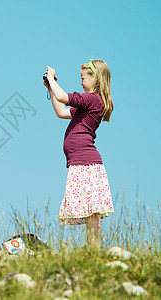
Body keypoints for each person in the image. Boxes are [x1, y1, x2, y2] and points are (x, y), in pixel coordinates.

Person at [44, 60, 114, 247]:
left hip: (86, 162)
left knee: (92, 212)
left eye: (83, 79)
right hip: (81, 163)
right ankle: (93, 249)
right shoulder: (87, 104)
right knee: (90, 210)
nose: (81, 83)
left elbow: (63, 97)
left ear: (95, 79)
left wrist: (52, 78)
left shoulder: (92, 99)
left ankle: (94, 249)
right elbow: (61, 111)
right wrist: (51, 87)